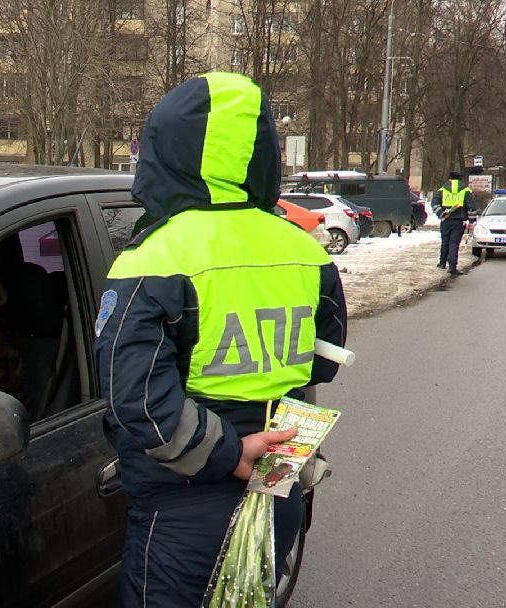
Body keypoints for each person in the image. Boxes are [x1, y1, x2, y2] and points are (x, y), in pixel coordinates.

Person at [93, 72, 347, 607]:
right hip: (279, 482)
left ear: (166, 151)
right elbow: (322, 361)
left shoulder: (157, 255)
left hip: (187, 506)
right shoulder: (304, 248)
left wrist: (232, 452)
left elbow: (137, 399)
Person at [431, 171, 476, 276]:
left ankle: (442, 263)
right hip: (459, 221)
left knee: (445, 242)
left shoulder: (442, 190)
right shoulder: (466, 190)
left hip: (445, 220)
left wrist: (441, 213)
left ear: (450, 179)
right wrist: (471, 221)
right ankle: (452, 267)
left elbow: (434, 203)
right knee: (454, 244)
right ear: (460, 179)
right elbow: (471, 207)